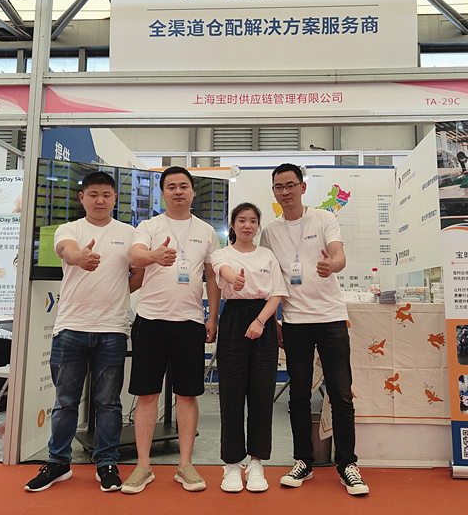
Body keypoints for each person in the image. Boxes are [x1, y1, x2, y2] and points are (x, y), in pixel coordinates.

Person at [25, 171, 143, 493]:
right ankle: (58, 463)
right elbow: (66, 251)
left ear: (115, 198)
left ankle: (106, 462)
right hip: (70, 328)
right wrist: (80, 258)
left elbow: (138, 274)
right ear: (82, 198)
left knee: (109, 403)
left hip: (112, 329)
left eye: (106, 194)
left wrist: (118, 291)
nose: (100, 200)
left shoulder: (130, 233)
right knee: (65, 402)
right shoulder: (70, 229)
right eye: (93, 194)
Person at [259, 163, 369, 496]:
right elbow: (269, 280)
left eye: (290, 185)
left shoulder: (323, 218)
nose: (285, 192)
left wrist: (332, 265)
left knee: (341, 393)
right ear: (274, 192)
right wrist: (274, 319)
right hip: (295, 323)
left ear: (302, 187)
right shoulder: (270, 232)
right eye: (279, 187)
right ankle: (303, 461)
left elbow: (339, 255)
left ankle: (348, 464)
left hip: (331, 318)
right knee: (298, 395)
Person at [122, 166, 221, 495]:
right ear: (162, 192)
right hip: (150, 319)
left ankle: (185, 464)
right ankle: (143, 466)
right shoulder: (149, 226)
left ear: (192, 191)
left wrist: (212, 317)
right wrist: (154, 255)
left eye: (183, 186)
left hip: (190, 321)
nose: (178, 191)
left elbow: (212, 277)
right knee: (147, 394)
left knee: (187, 394)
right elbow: (135, 256)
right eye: (171, 187)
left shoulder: (206, 231)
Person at [210, 202, 287, 493]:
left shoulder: (267, 255)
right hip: (232, 319)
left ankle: (256, 462)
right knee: (231, 394)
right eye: (241, 220)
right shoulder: (222, 253)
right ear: (232, 225)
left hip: (262, 320)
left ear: (258, 226)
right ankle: (232, 464)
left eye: (253, 221)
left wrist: (260, 321)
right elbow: (223, 271)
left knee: (261, 394)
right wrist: (235, 279)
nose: (247, 225)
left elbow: (277, 292)